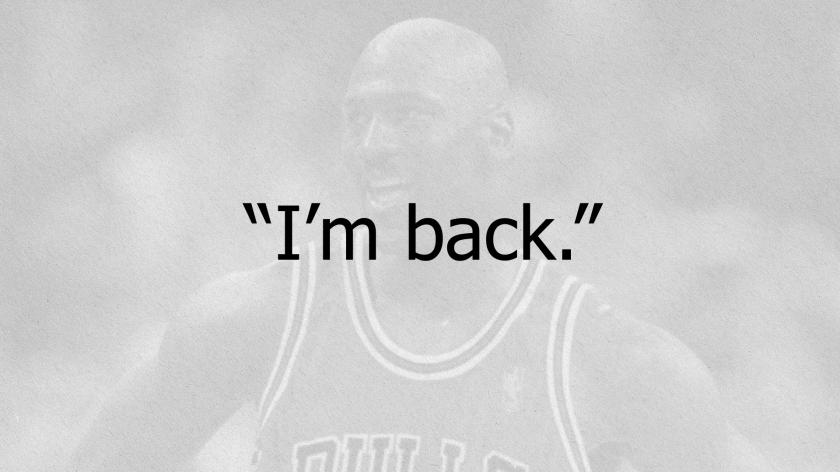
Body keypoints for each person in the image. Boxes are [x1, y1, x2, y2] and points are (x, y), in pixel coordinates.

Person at [72, 18, 772, 472]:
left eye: (408, 116)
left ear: (497, 136)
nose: (374, 145)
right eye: (359, 119)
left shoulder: (605, 358)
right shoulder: (257, 321)